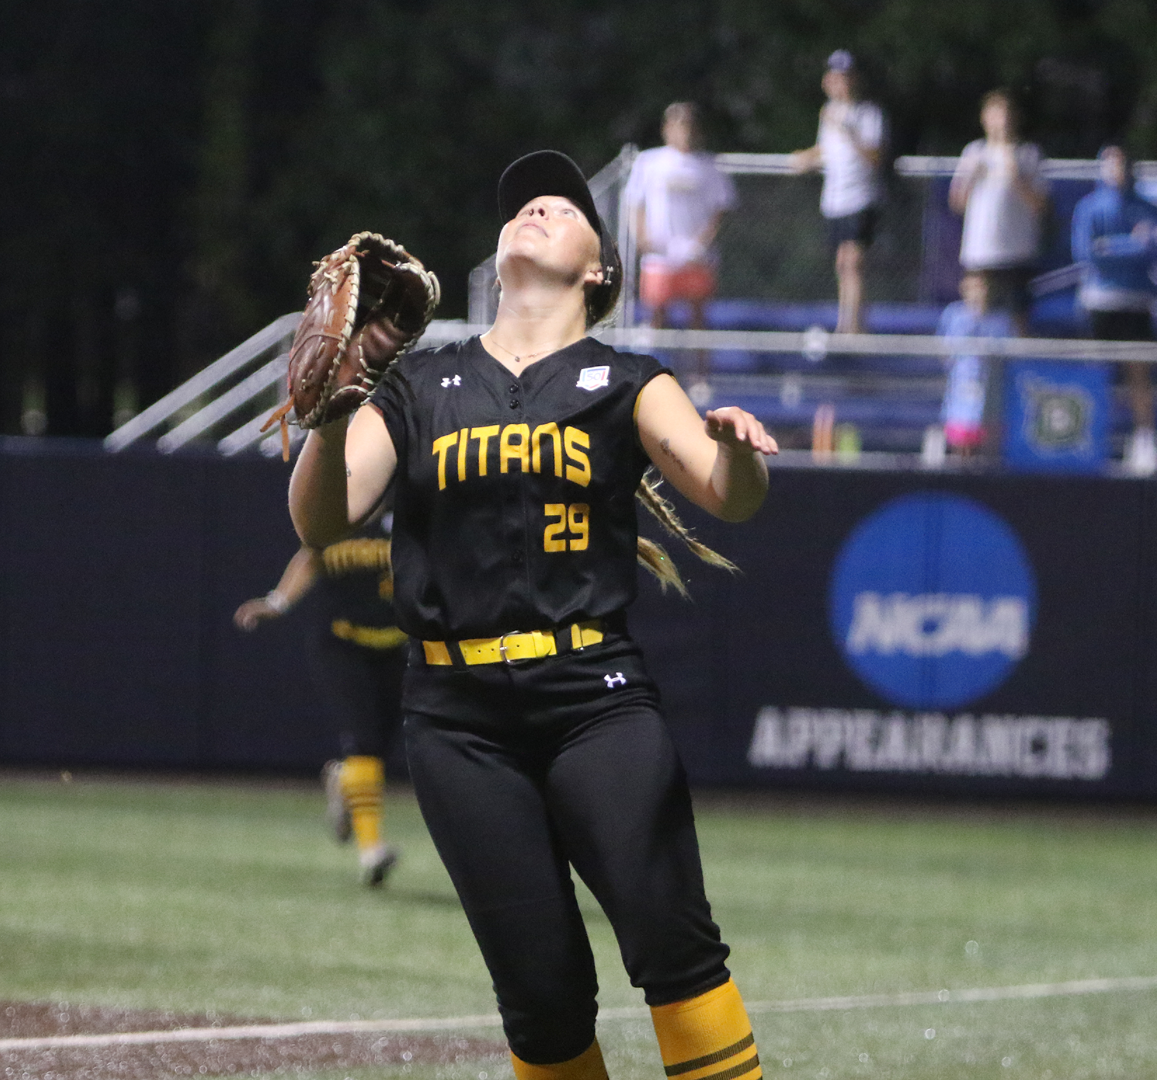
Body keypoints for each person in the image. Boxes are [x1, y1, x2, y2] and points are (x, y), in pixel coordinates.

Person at [288, 149, 778, 1080]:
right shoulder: (418, 386)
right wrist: (325, 413)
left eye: (562, 204)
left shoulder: (630, 379)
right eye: (521, 205)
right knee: (544, 1000)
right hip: (457, 719)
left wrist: (742, 452)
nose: (537, 207)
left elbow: (727, 494)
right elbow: (322, 517)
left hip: (594, 697)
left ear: (600, 271)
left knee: (672, 948)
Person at [234, 517, 406, 886]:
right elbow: (308, 557)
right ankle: (372, 850)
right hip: (342, 642)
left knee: (381, 747)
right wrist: (277, 602)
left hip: (397, 644)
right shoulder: (339, 511)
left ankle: (344, 781)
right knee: (364, 741)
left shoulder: (411, 511)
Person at [1072, 143, 1157, 476]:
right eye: (1110, 165)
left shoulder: (1145, 208)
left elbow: (1150, 250)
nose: (1117, 171)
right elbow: (1086, 254)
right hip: (1098, 303)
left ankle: (1144, 439)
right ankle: (1091, 438)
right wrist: (1127, 243)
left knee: (1138, 373)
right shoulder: (1088, 208)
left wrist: (1111, 246)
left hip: (1137, 302)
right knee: (1097, 373)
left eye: (1122, 165)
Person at [791, 49, 885, 334]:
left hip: (861, 197)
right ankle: (846, 322)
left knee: (853, 261)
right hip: (835, 199)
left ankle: (853, 327)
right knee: (842, 262)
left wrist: (847, 129)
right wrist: (804, 158)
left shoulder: (868, 114)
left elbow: (873, 156)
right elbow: (828, 151)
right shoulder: (828, 114)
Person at [624, 102, 736, 335]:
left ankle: (698, 372)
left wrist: (701, 243)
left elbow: (721, 208)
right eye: (676, 125)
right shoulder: (649, 162)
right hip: (659, 254)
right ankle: (653, 370)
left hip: (696, 257)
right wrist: (642, 237)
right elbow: (636, 202)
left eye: (688, 125)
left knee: (698, 319)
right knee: (656, 313)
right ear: (666, 129)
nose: (683, 131)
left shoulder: (710, 165)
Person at [949, 90, 1049, 334]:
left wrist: (1017, 178)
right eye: (995, 114)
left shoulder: (1028, 154)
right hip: (980, 250)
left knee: (1018, 316)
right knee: (978, 315)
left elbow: (1040, 205)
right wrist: (970, 179)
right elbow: (957, 203)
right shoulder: (973, 152)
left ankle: (1019, 366)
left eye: (1005, 114)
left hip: (1017, 251)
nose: (1001, 121)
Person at [937, 272, 1018, 461]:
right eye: (974, 288)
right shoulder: (954, 315)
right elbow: (946, 350)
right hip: (962, 385)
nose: (979, 293)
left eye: (983, 287)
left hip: (992, 387)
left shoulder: (1001, 319)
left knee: (989, 439)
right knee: (962, 437)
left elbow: (1009, 351)